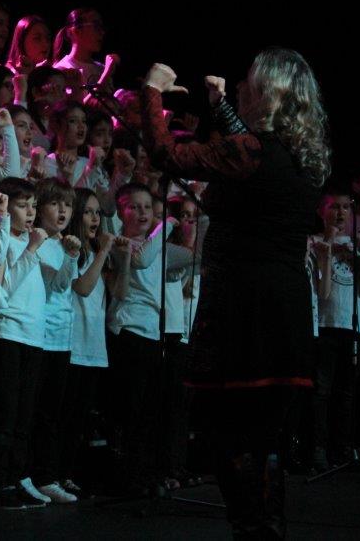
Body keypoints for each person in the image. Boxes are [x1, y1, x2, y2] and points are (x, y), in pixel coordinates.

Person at [140, 50, 331, 538]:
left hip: (245, 312)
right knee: (261, 436)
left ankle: (253, 528)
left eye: (249, 81)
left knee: (226, 431)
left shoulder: (251, 152)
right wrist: (220, 107)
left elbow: (168, 155)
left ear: (267, 93)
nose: (242, 86)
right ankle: (263, 528)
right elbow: (248, 156)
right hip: (283, 310)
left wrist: (152, 91)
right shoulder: (299, 156)